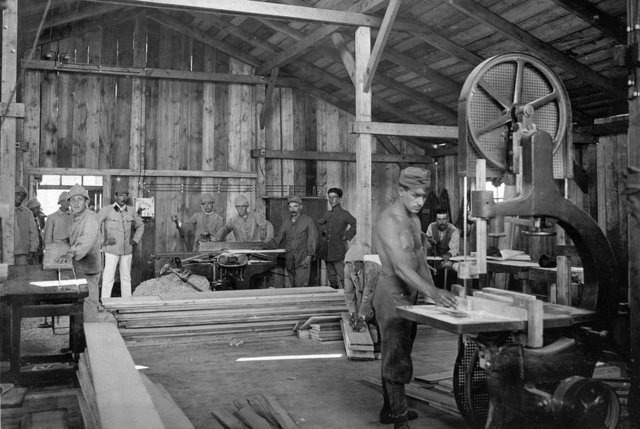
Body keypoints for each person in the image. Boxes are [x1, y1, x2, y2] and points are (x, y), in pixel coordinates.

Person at [373, 167, 457, 428]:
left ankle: (390, 410)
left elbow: (419, 259)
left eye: (424, 196)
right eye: (416, 195)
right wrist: (433, 291)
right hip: (390, 292)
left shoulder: (415, 220)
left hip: (410, 293)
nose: (421, 202)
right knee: (396, 356)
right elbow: (400, 266)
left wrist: (431, 293)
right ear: (401, 191)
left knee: (401, 351)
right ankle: (399, 420)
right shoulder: (388, 221)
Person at [56, 184, 102, 322]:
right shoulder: (74, 217)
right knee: (80, 304)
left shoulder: (91, 217)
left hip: (89, 266)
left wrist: (71, 252)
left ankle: (91, 337)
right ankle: (82, 337)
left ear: (86, 201)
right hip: (79, 266)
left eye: (79, 199)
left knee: (90, 302)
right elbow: (72, 237)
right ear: (69, 202)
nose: (76, 203)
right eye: (72, 200)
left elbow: (86, 239)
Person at [98, 184, 144, 299]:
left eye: (126, 195)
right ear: (115, 196)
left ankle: (126, 301)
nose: (123, 198)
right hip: (112, 250)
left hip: (127, 250)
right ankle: (105, 301)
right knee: (108, 276)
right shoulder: (107, 210)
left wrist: (135, 239)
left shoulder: (131, 211)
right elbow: (94, 225)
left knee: (126, 277)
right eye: (121, 195)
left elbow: (141, 225)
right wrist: (102, 241)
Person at [269, 195, 317, 287]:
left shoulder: (308, 221)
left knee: (301, 288)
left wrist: (309, 257)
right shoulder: (286, 222)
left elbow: (312, 240)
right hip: (290, 261)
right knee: (294, 288)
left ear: (300, 207)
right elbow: (278, 239)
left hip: (302, 260)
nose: (293, 209)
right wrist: (262, 246)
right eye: (290, 207)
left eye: (295, 206)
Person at [343, 244, 381, 354]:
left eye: (356, 264)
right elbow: (348, 292)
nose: (353, 267)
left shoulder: (371, 269)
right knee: (361, 312)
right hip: (363, 291)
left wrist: (362, 315)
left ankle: (381, 342)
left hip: (379, 290)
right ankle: (367, 341)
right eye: (350, 264)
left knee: (377, 314)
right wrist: (353, 313)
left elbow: (368, 294)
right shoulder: (347, 268)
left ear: (362, 263)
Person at [317, 188, 356, 289]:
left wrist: (346, 236)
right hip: (326, 251)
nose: (331, 200)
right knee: (331, 278)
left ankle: (347, 299)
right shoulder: (327, 214)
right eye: (329, 197)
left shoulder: (344, 214)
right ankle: (335, 298)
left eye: (334, 197)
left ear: (340, 199)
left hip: (338, 250)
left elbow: (356, 224)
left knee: (343, 277)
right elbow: (319, 225)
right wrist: (323, 234)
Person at [425, 208, 460, 289]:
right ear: (436, 220)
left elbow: (454, 249)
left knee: (449, 284)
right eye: (439, 219)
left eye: (444, 219)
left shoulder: (454, 231)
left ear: (448, 219)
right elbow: (427, 240)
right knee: (435, 284)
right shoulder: (431, 226)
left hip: (449, 261)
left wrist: (448, 255)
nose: (442, 222)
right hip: (435, 261)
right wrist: (428, 243)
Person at [13, 185, 39, 266]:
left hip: (22, 252)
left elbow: (33, 233)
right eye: (18, 194)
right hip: (5, 251)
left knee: (21, 274)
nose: (20, 197)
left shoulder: (28, 213)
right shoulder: (5, 210)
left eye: (23, 195)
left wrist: (32, 249)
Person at [26, 198, 46, 264]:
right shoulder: (27, 221)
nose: (38, 210)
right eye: (37, 208)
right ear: (31, 209)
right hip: (32, 252)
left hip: (39, 251)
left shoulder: (37, 220)